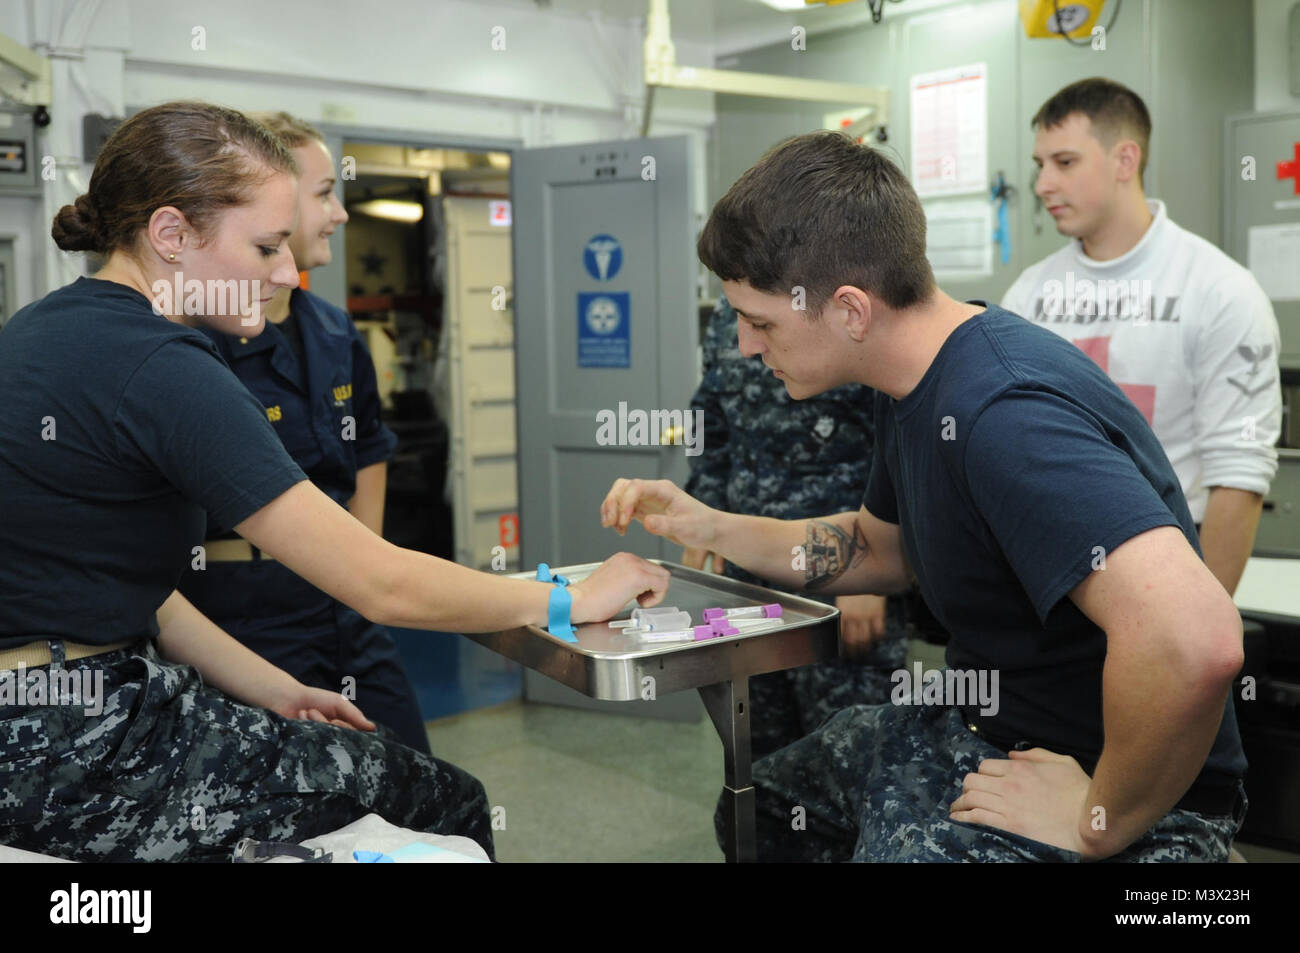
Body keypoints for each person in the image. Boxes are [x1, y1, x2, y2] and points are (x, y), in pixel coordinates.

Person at [0, 101, 668, 862]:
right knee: (447, 800)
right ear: (171, 235)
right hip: (68, 741)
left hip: (59, 708)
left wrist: (274, 689)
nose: (289, 272)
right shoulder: (162, 366)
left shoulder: (44, 328)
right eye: (265, 246)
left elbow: (136, 592)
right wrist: (569, 600)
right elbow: (378, 582)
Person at [602, 130, 1247, 862]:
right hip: (989, 722)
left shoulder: (1003, 413)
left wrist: (1097, 817)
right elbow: (878, 546)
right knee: (767, 805)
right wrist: (707, 522)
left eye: (761, 322)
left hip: (1104, 777)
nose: (748, 347)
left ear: (849, 310)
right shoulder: (912, 381)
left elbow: (1196, 641)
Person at [177, 112, 430, 755]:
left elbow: (369, 446)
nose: (339, 213)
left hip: (345, 608)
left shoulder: (336, 332)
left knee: (413, 773)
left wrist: (366, 573)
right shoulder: (193, 342)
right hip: (236, 616)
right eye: (323, 194)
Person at [1002, 77, 1281, 597]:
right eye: (1040, 164)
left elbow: (1238, 475)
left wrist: (1199, 626)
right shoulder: (1029, 295)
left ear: (1124, 161)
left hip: (1171, 557)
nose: (1042, 185)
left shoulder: (1220, 291)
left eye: (1064, 162)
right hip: (1049, 560)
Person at [683, 293, 907, 759]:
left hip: (839, 568)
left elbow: (900, 447)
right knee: (754, 746)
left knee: (850, 751)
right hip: (747, 573)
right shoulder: (733, 315)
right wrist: (706, 517)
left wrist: (872, 577)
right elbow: (709, 420)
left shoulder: (843, 307)